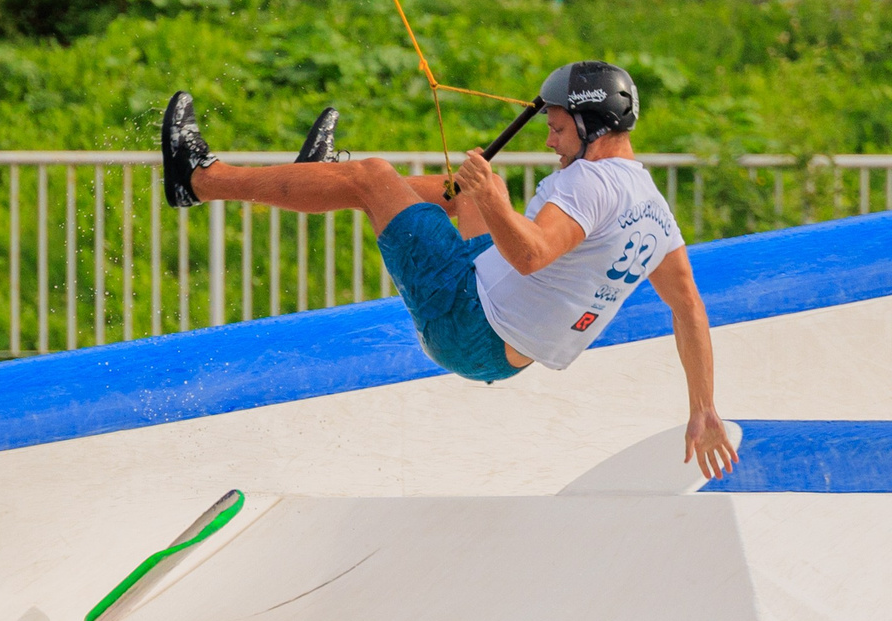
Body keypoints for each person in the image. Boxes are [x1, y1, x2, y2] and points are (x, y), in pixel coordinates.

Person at [160, 63, 738, 479]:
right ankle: (323, 176)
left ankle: (199, 178)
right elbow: (687, 303)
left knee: (374, 179)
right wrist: (703, 407)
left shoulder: (589, 182)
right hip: (503, 354)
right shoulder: (651, 203)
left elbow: (533, 253)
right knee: (458, 193)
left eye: (558, 128)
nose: (549, 139)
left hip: (467, 316)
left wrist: (495, 196)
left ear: (592, 125)